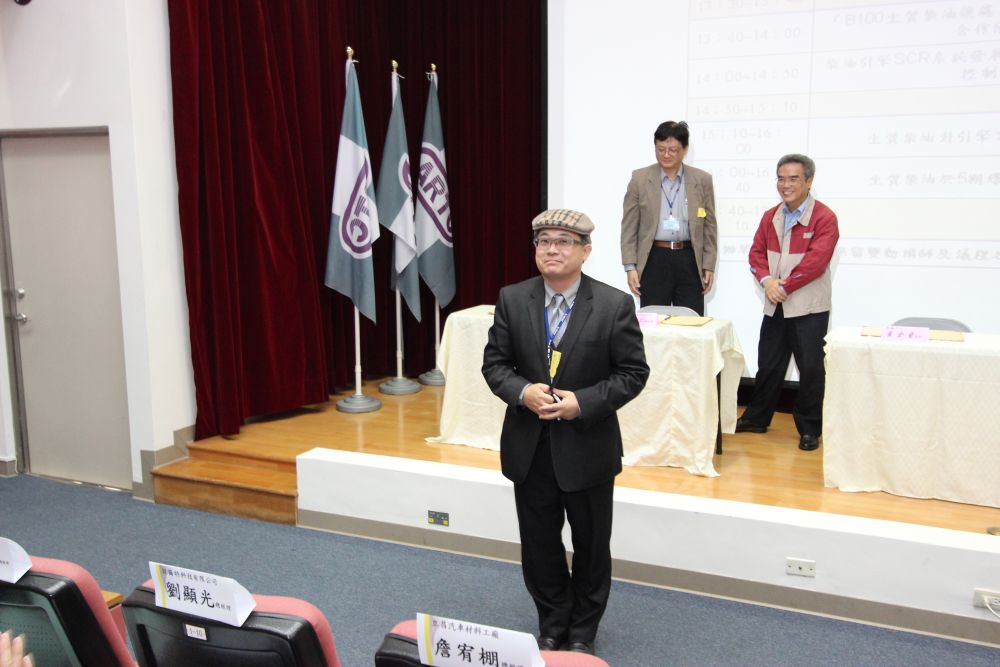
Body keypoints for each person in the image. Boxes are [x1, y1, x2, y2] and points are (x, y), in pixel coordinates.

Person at [482, 209, 649, 656]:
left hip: (587, 448)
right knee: (539, 544)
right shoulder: (513, 299)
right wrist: (522, 392)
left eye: (563, 241)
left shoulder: (613, 305)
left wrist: (583, 403)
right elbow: (495, 365)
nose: (551, 250)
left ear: (585, 251)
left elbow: (633, 373)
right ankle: (553, 621)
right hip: (530, 447)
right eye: (543, 242)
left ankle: (583, 630)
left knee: (591, 546)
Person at [736, 154, 839, 451]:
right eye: (781, 178)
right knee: (769, 364)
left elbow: (816, 262)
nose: (786, 185)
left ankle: (809, 428)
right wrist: (768, 281)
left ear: (809, 181)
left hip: (808, 306)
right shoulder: (771, 216)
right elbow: (755, 254)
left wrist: (784, 286)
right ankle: (757, 419)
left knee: (810, 369)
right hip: (776, 303)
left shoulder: (824, 217)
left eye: (793, 178)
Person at [620, 120, 718, 315]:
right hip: (654, 258)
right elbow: (629, 227)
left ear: (685, 149)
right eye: (660, 149)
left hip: (689, 258)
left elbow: (710, 226)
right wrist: (630, 267)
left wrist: (708, 265)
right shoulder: (640, 179)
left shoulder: (702, 180)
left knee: (691, 321)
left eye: (672, 150)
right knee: (653, 320)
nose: (665, 155)